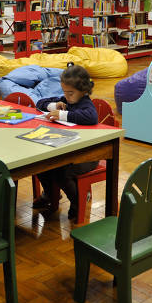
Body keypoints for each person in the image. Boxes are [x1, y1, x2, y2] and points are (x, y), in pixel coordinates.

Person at [33, 64, 98, 219]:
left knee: (62, 172)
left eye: (71, 93)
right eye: (64, 92)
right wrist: (54, 105)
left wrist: (63, 114)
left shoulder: (85, 104)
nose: (67, 96)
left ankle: (77, 202)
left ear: (83, 91)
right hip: (69, 151)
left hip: (88, 155)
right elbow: (39, 103)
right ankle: (50, 195)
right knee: (41, 164)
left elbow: (91, 117)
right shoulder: (66, 100)